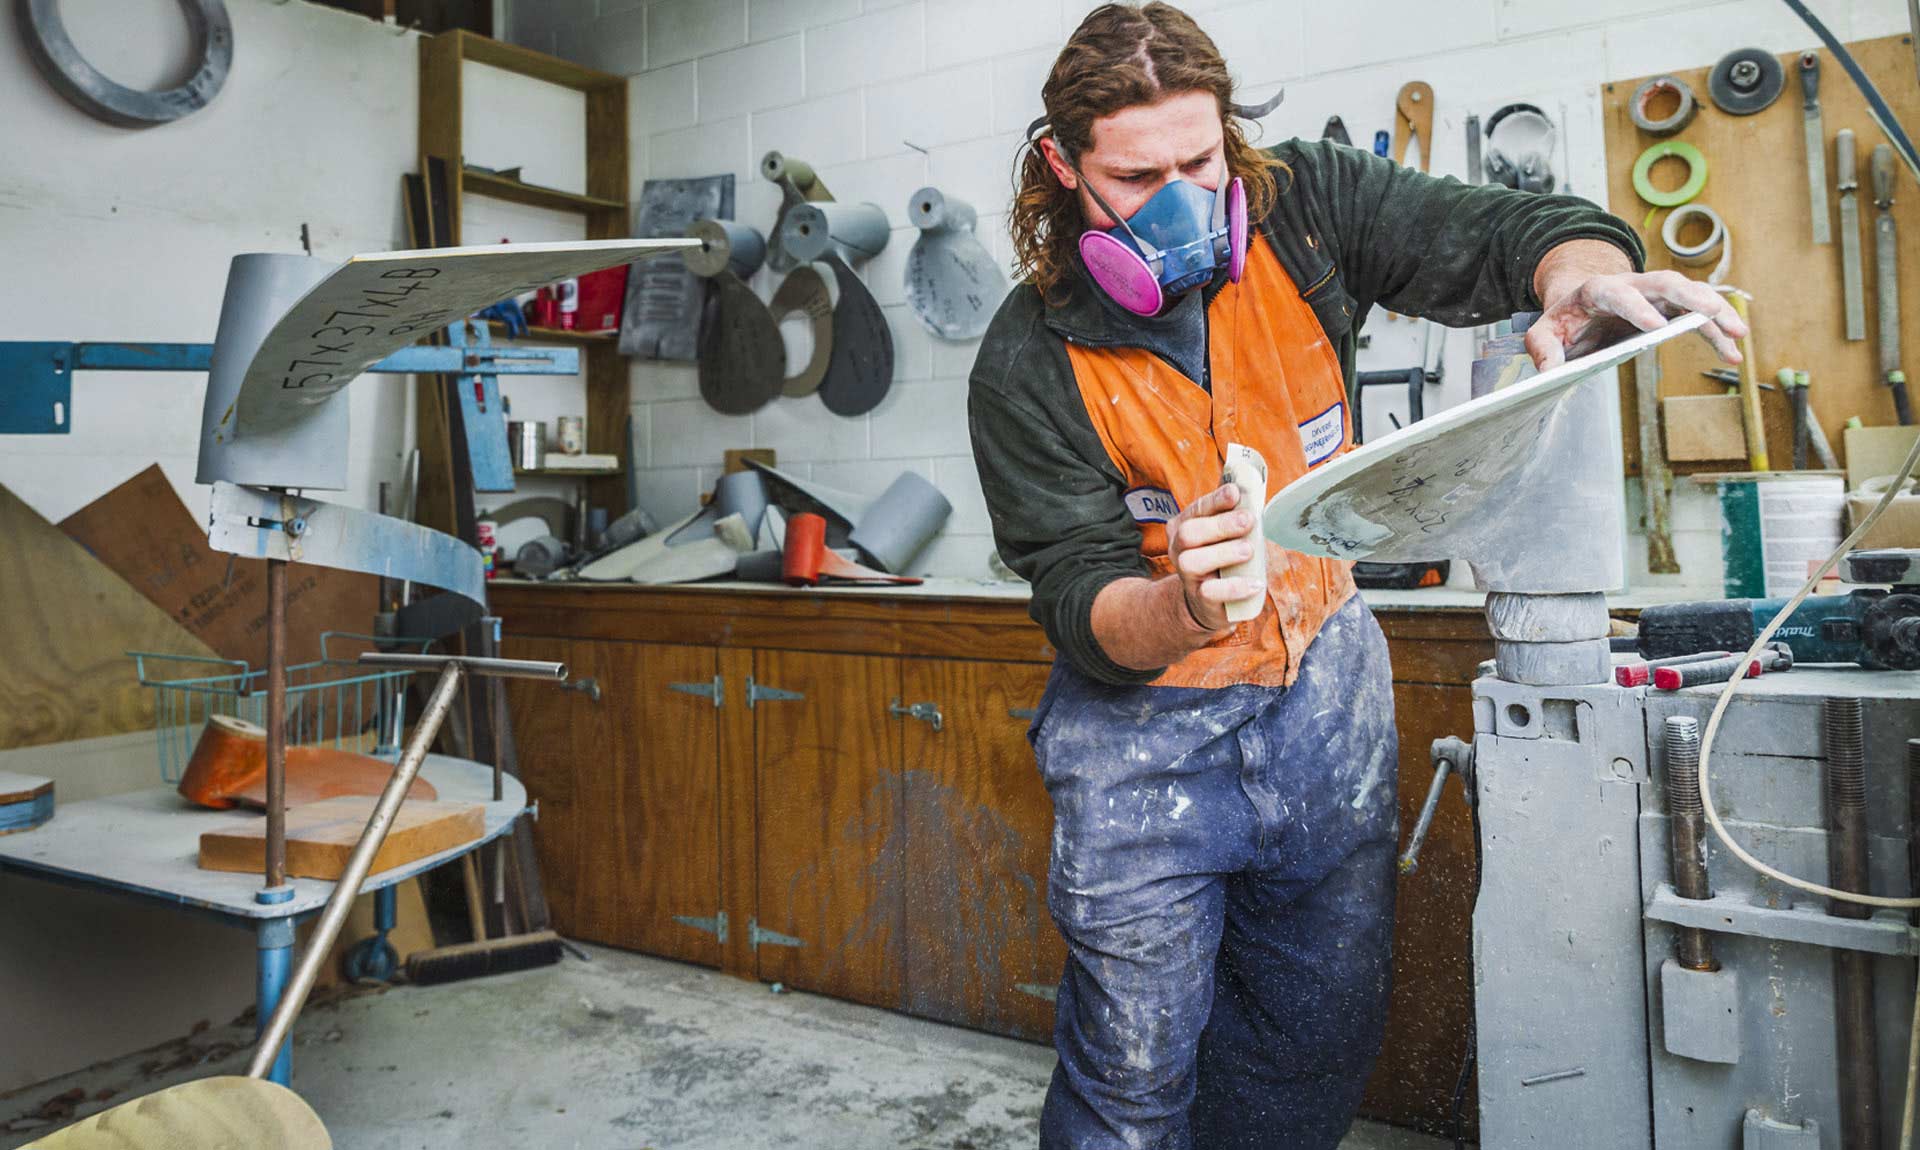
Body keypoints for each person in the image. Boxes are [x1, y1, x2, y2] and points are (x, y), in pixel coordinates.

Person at [968, 5, 1746, 1148]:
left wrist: (1578, 273)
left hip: (1323, 700)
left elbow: (1521, 231)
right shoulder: (1025, 364)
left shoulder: (1308, 209)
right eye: (1138, 178)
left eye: (1201, 160)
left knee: (1310, 1044)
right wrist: (1183, 601)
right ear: (1062, 167)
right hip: (1145, 743)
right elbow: (1086, 606)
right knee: (1131, 1074)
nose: (1183, 200)